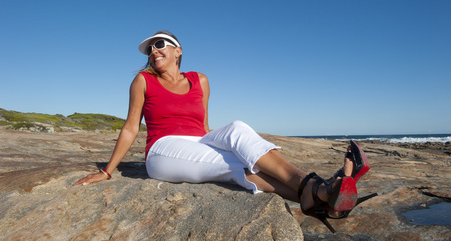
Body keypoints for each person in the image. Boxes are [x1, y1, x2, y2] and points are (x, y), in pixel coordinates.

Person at [75, 30, 376, 233]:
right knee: (236, 165)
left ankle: (317, 199)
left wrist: (230, 144)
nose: (154, 51)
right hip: (164, 149)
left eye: (160, 44)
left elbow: (204, 126)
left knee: (238, 130)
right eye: (150, 49)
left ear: (178, 51)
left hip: (199, 141)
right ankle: (322, 189)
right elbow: (130, 128)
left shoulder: (200, 80)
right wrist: (108, 170)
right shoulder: (143, 80)